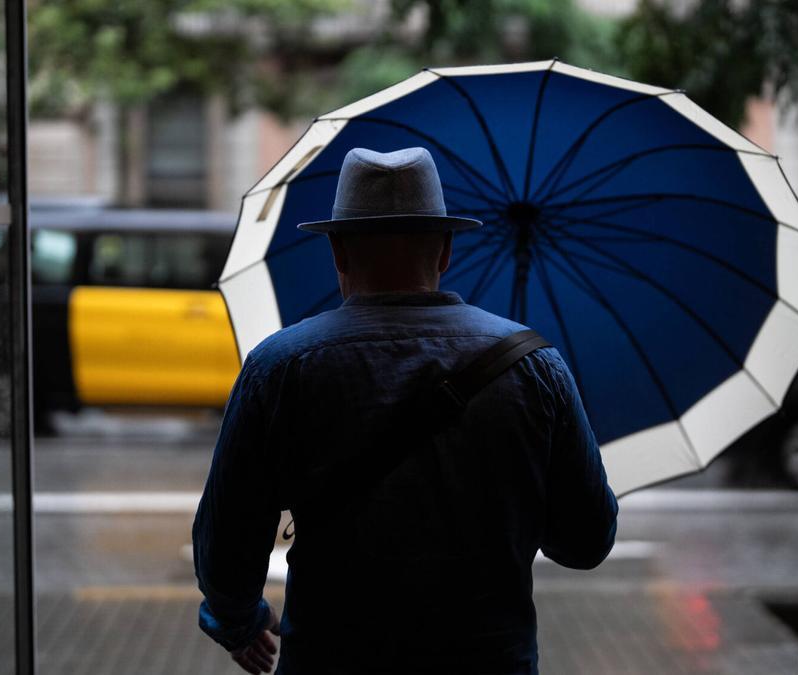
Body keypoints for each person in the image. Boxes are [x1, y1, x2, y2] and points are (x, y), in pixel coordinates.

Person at [193, 146, 618, 674]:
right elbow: (586, 541)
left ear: (339, 254)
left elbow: (227, 541)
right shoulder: (532, 365)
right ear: (444, 252)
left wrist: (239, 621)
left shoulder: (279, 367)